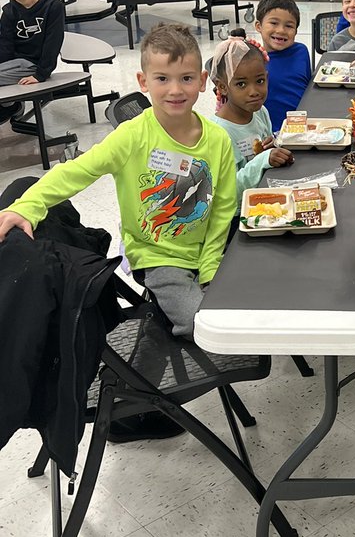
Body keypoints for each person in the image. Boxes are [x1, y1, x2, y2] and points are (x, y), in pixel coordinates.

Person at [0, 22, 236, 341]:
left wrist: (209, 266)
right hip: (158, 256)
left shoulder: (218, 139)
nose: (176, 90)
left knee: (248, 304)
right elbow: (76, 171)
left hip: (208, 248)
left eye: (187, 78)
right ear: (143, 82)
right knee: (204, 327)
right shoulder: (132, 136)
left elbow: (222, 206)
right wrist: (28, 206)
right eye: (162, 79)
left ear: (203, 81)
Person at [209, 36, 294, 201]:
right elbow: (228, 192)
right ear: (222, 87)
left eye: (260, 81)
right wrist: (263, 160)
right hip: (238, 215)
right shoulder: (218, 133)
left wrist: (272, 147)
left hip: (267, 196)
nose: (254, 91)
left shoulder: (260, 111)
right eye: (241, 84)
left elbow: (265, 151)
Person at [0, 0, 65, 124]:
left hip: (33, 64)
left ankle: (10, 107)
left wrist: (41, 73)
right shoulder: (8, 11)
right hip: (15, 63)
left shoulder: (52, 6)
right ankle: (9, 104)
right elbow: (5, 46)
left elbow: (53, 42)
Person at [255, 0, 311, 135]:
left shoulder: (301, 52)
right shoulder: (252, 61)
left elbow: (308, 90)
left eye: (289, 26)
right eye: (274, 23)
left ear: (296, 31)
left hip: (303, 129)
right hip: (268, 134)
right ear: (258, 26)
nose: (281, 30)